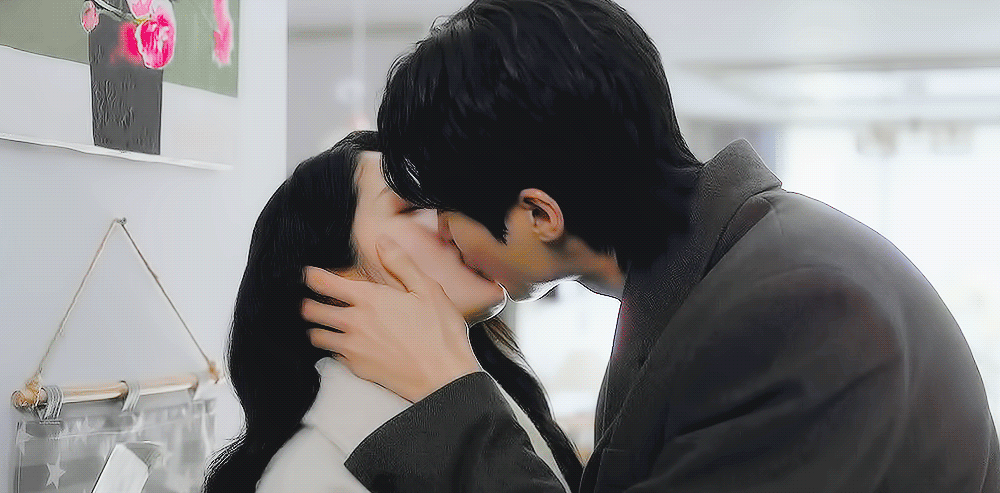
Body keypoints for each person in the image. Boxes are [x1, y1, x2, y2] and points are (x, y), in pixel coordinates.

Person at [300, 0, 1000, 491]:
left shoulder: (802, 307)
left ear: (539, 213)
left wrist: (446, 388)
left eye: (448, 211)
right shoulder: (702, 281)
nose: (443, 236)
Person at [201, 131, 580, 492]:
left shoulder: (492, 395)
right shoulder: (310, 478)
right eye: (413, 205)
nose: (454, 220)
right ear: (330, 283)